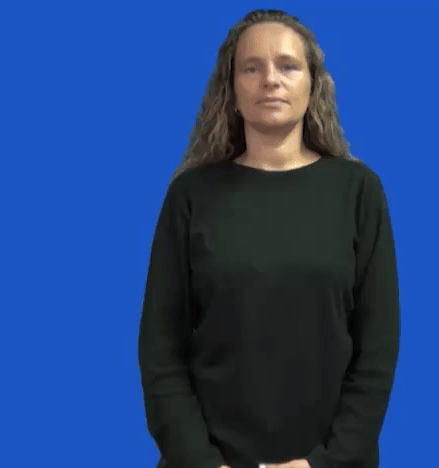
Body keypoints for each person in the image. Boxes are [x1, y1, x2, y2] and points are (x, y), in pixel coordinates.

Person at [138, 9, 401, 468]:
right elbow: (161, 350)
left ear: (313, 85)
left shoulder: (359, 192)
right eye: (252, 68)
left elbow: (377, 350)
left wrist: (325, 463)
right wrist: (201, 462)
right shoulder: (191, 195)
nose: (270, 80)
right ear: (231, 88)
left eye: (287, 66)